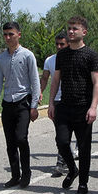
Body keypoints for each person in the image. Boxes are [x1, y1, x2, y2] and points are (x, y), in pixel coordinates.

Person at [48, 16, 98, 194]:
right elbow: (56, 80)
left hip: (83, 107)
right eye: (69, 28)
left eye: (75, 29)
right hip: (64, 106)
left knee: (84, 147)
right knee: (62, 141)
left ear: (84, 32)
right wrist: (51, 103)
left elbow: (97, 83)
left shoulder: (91, 55)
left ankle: (83, 182)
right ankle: (72, 169)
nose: (71, 31)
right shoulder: (62, 54)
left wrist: (93, 107)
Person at [0, 21, 41, 189]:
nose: (8, 37)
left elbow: (35, 81)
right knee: (10, 142)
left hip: (23, 102)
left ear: (19, 35)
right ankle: (15, 175)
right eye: (5, 34)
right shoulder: (1, 59)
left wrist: (34, 106)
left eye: (11, 34)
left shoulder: (27, 55)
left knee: (21, 138)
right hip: (8, 103)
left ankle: (26, 173)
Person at [39, 31, 72, 177]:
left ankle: (64, 161)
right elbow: (45, 78)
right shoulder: (50, 60)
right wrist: (40, 92)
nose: (59, 47)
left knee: (67, 133)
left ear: (68, 44)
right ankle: (63, 161)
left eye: (62, 44)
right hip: (57, 101)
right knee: (61, 133)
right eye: (57, 44)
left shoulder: (73, 58)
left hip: (72, 100)